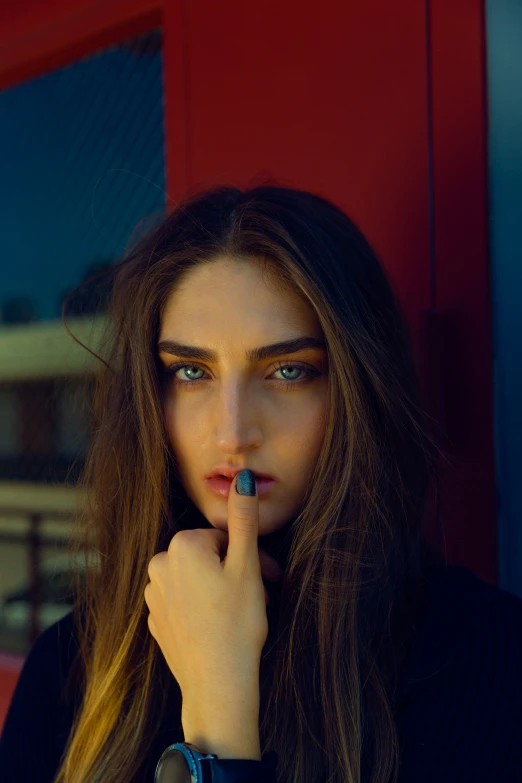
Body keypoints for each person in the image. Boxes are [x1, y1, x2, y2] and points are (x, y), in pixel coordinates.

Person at [1, 183, 522, 783]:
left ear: (357, 388)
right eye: (191, 372)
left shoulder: (483, 655)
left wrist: (218, 724)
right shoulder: (75, 664)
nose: (232, 432)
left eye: (288, 371)